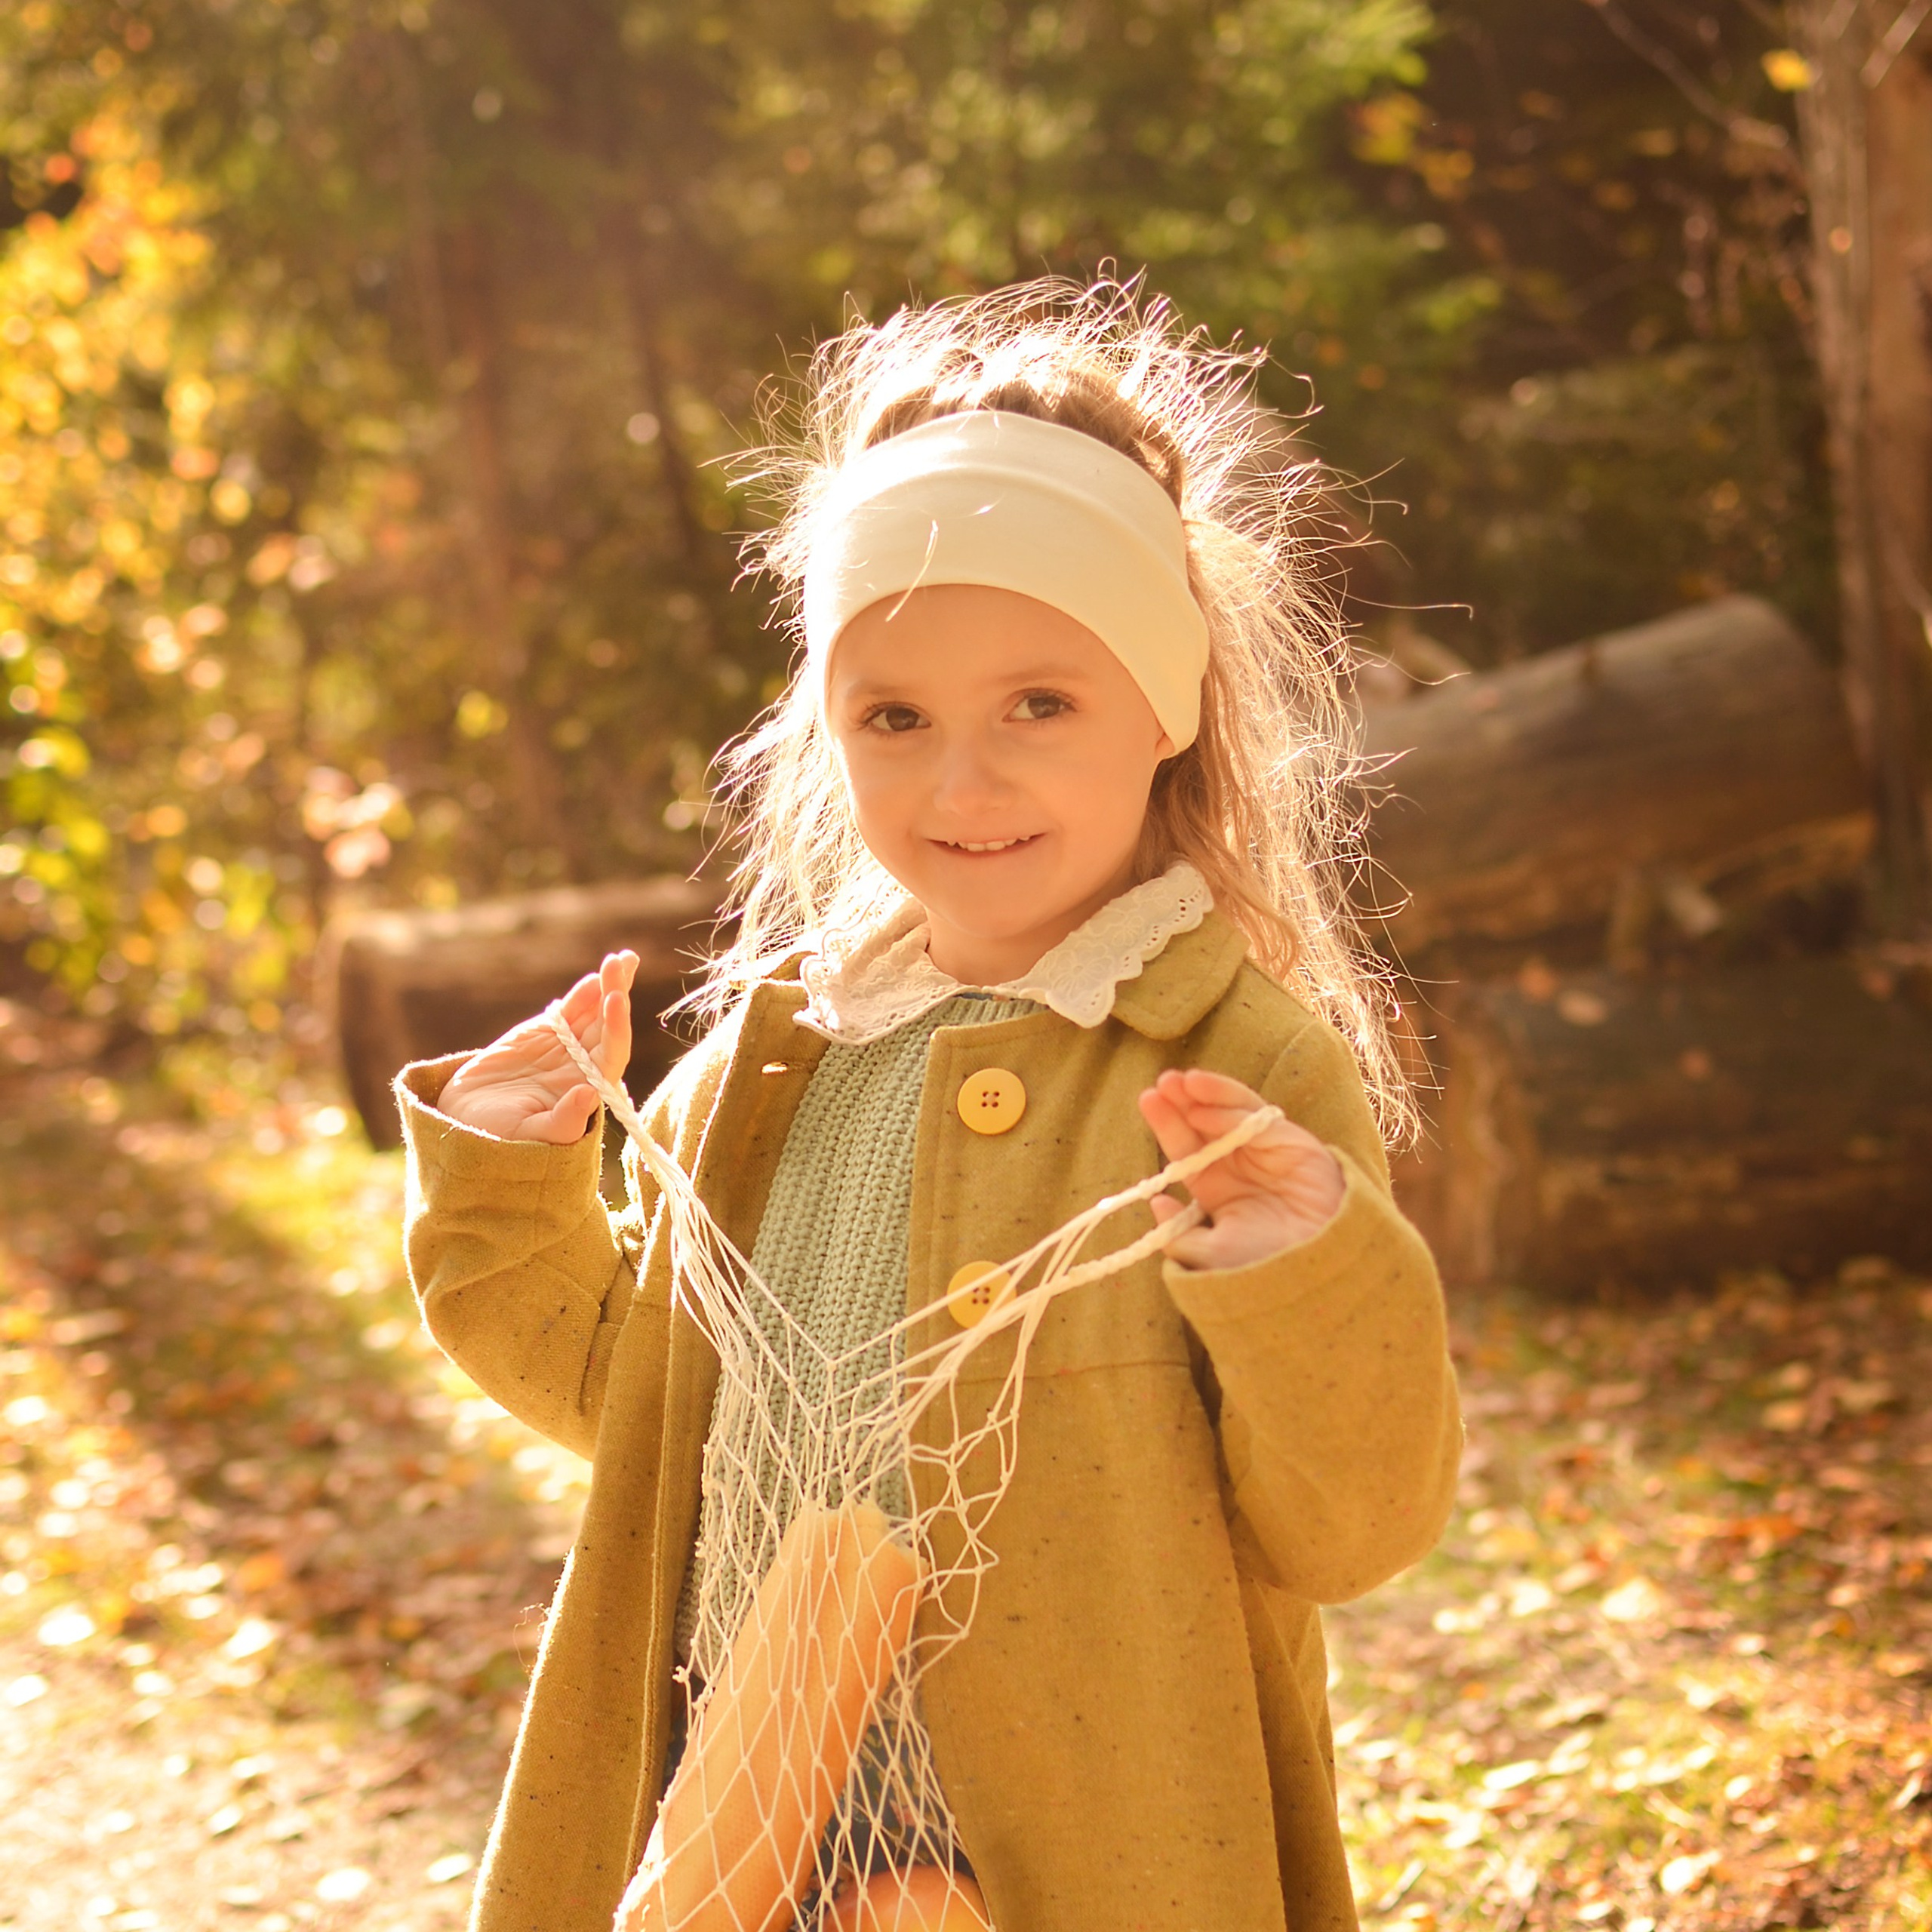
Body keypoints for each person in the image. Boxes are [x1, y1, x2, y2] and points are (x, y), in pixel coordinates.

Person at [397, 277, 1463, 1932]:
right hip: (751, 1830)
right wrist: (506, 1179)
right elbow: (641, 1398)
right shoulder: (777, 1058)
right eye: (894, 718)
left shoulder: (1226, 1064)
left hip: (1084, 1852)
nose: (962, 783)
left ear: (1161, 706)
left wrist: (1297, 1267)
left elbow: (1351, 1519)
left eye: (1038, 703)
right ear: (830, 733)